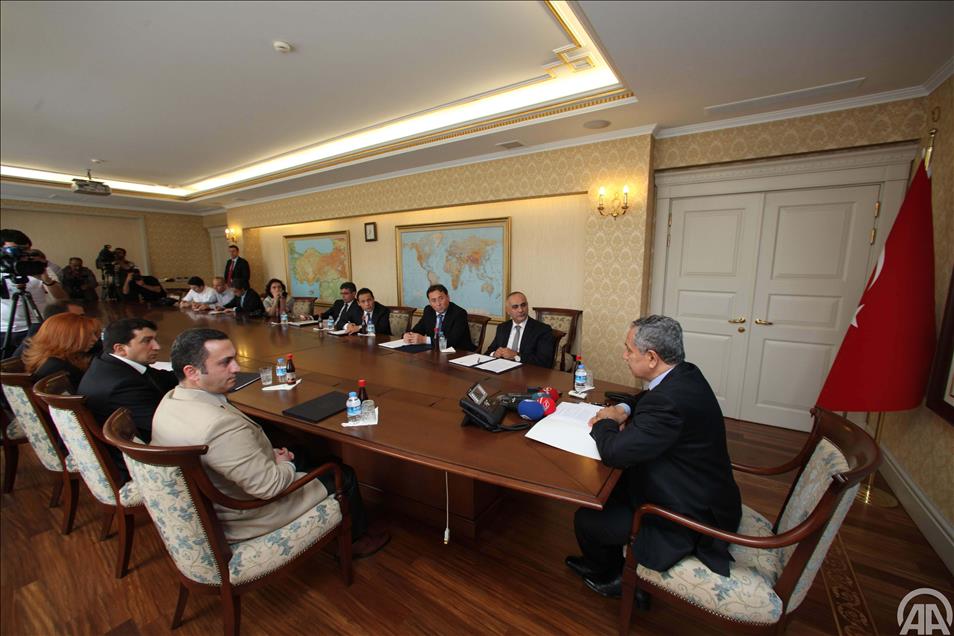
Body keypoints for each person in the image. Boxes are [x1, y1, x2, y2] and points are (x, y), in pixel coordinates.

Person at [151, 328, 389, 557]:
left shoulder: (170, 400)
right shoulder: (219, 426)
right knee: (341, 472)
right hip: (247, 513)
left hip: (214, 494)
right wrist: (284, 463)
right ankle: (357, 541)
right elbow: (269, 488)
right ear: (192, 372)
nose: (237, 367)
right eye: (225, 362)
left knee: (303, 451)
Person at [565, 315, 741, 601]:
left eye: (629, 350)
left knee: (588, 517)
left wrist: (605, 421)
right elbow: (647, 399)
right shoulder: (684, 374)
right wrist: (623, 409)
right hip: (700, 487)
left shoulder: (668, 402)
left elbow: (614, 453)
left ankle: (617, 577)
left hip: (687, 513)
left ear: (651, 357)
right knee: (606, 493)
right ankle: (602, 563)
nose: (624, 355)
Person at [78, 318, 177, 483]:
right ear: (120, 348)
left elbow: (160, 378)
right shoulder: (122, 385)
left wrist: (198, 373)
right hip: (140, 463)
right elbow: (165, 427)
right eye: (147, 341)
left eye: (155, 339)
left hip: (132, 446)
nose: (157, 346)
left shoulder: (109, 362)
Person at [1, 228, 68, 356]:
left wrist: (46, 280)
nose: (21, 255)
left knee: (35, 362)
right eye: (14, 250)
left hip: (36, 327)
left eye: (25, 250)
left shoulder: (36, 267)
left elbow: (61, 298)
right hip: (3, 328)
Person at [22, 312, 102, 386]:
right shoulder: (57, 368)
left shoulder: (66, 356)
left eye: (94, 334)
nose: (95, 339)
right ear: (68, 338)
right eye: (88, 335)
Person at [484, 291, 555, 367]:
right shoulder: (502, 327)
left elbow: (544, 361)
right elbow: (489, 351)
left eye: (523, 305)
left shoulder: (542, 330)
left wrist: (516, 355)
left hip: (527, 371)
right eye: (515, 307)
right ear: (508, 311)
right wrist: (494, 354)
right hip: (502, 369)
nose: (520, 310)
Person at [404, 284, 474, 351]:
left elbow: (451, 342)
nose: (438, 303)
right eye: (433, 300)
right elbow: (418, 330)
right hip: (434, 351)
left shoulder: (459, 313)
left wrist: (424, 340)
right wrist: (408, 335)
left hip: (458, 352)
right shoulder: (428, 310)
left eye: (441, 299)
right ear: (429, 302)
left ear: (448, 297)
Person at [11, 301, 86, 358]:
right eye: (77, 318)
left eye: (83, 316)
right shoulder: (39, 346)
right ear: (58, 321)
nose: (86, 321)